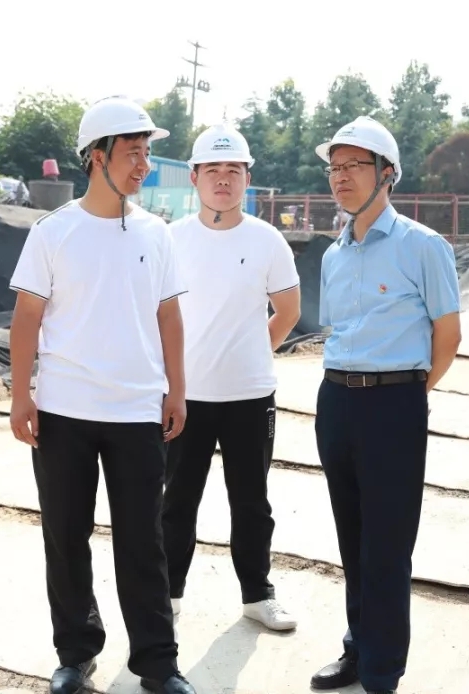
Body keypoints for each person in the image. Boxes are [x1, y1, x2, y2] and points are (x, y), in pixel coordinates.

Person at [7, 95, 196, 694]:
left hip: (137, 411)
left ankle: (158, 665)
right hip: (63, 411)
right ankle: (75, 654)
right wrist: (20, 395)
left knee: (143, 543)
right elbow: (26, 318)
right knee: (66, 538)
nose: (144, 165)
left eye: (146, 153)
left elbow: (168, 316)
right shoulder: (53, 232)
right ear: (97, 156)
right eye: (133, 153)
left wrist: (177, 390)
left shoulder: (157, 234)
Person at [309, 115, 462, 694]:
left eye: (355, 165)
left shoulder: (423, 246)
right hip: (336, 400)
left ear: (388, 173)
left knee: (388, 545)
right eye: (334, 167)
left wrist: (407, 396)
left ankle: (381, 672)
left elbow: (448, 338)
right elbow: (340, 330)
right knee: (352, 539)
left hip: (394, 402)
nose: (341, 176)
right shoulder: (334, 254)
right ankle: (358, 647)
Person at [162, 123, 302, 631]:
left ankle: (257, 595)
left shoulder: (267, 240)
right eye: (213, 170)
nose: (223, 179)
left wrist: (252, 353)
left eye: (234, 170)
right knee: (177, 501)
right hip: (185, 396)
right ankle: (168, 597)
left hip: (250, 396)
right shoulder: (170, 239)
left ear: (247, 177)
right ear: (194, 177)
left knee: (251, 502)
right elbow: (155, 315)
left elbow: (288, 310)